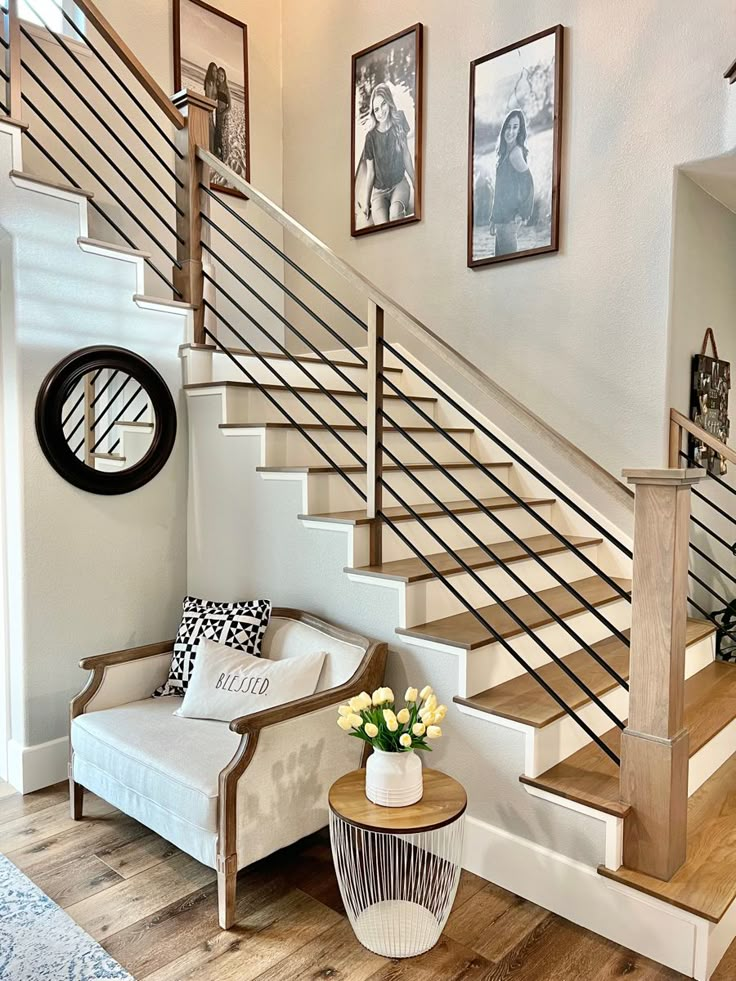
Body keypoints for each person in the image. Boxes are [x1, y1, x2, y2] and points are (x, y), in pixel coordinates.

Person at [358, 83, 415, 226]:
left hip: (399, 184)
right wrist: (365, 202)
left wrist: (416, 183)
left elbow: (406, 155)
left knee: (395, 215)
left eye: (383, 105)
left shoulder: (399, 120)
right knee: (383, 224)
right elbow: (371, 173)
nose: (380, 112)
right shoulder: (370, 137)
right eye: (376, 109)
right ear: (373, 112)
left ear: (389, 103)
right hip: (379, 193)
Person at [489, 109, 534, 256]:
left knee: (508, 270)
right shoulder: (504, 154)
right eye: (508, 127)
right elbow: (500, 190)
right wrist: (493, 217)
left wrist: (523, 213)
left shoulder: (515, 153)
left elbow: (529, 183)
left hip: (509, 221)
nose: (510, 131)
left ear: (520, 130)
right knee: (498, 268)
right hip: (501, 219)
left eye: (515, 127)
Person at [214, 67, 231, 161]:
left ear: (225, 77)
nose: (220, 77)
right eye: (219, 75)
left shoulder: (226, 89)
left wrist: (223, 114)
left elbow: (230, 107)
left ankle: (224, 156)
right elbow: (215, 98)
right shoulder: (218, 87)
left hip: (223, 114)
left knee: (223, 134)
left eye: (222, 75)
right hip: (217, 113)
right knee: (218, 132)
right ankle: (219, 153)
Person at [204, 62, 218, 154]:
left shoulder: (214, 82)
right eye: (213, 70)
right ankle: (211, 152)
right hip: (208, 108)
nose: (214, 72)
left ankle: (211, 151)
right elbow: (208, 97)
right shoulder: (210, 82)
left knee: (211, 130)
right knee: (211, 131)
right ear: (210, 71)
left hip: (211, 109)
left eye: (215, 70)